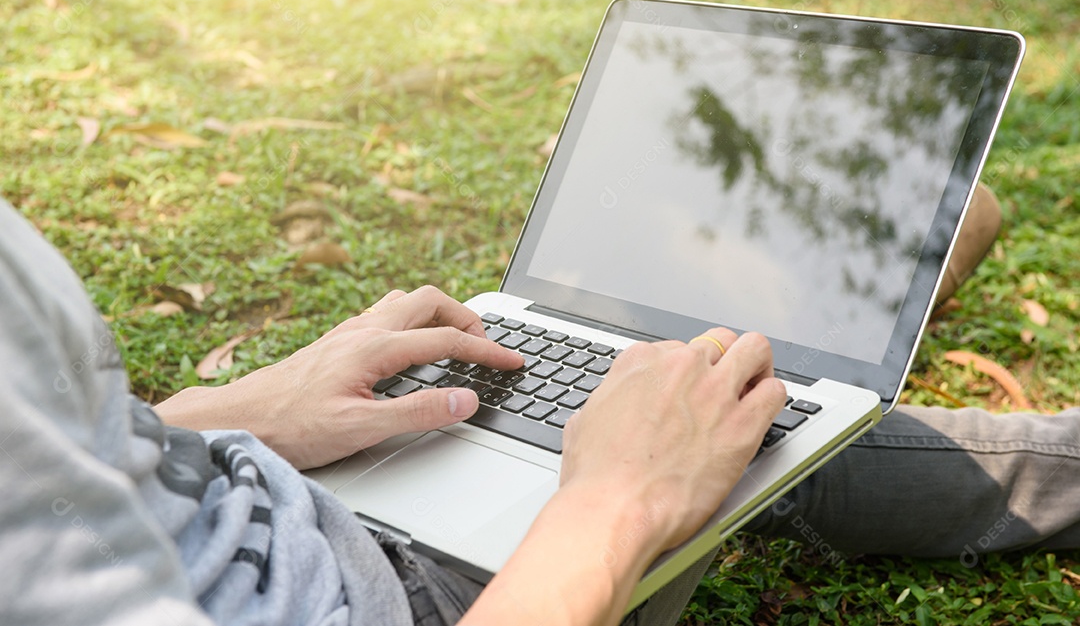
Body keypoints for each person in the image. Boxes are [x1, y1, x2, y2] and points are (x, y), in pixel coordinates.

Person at [1, 184, 1077, 626]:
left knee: (685, 376)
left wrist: (230, 411)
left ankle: (848, 321)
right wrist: (613, 508)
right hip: (416, 596)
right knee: (745, 403)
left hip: (278, 488)